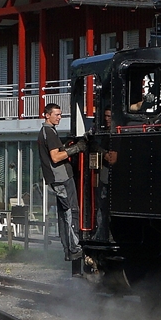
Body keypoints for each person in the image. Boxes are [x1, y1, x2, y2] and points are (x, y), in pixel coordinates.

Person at [38, 103, 85, 262]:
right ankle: (74, 248)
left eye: (60, 114)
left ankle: (67, 249)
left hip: (56, 178)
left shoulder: (46, 132)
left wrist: (65, 145)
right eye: (56, 114)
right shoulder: (49, 133)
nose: (59, 117)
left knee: (63, 213)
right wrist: (77, 148)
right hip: (61, 178)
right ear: (47, 115)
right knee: (71, 212)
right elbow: (56, 157)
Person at [93, 107, 118, 243]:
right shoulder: (104, 134)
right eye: (105, 116)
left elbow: (111, 158)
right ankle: (101, 234)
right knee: (101, 207)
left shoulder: (114, 136)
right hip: (103, 177)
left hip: (109, 178)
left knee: (105, 207)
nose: (106, 119)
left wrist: (99, 150)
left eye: (109, 116)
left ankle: (106, 235)